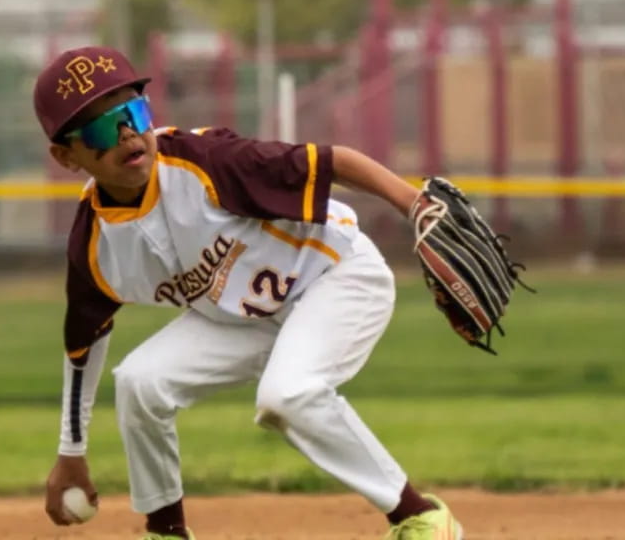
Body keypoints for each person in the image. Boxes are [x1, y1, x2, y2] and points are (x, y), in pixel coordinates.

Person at [35, 45, 463, 540]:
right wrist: (71, 452)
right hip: (243, 316)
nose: (128, 135)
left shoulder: (206, 163)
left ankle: (419, 516)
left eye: (133, 112)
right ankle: (166, 532)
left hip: (333, 274)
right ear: (66, 156)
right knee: (139, 382)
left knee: (286, 397)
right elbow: (84, 346)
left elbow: (334, 162)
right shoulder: (94, 242)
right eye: (101, 129)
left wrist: (416, 207)